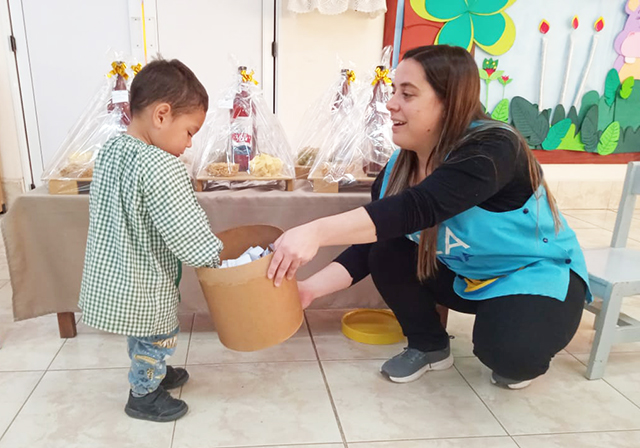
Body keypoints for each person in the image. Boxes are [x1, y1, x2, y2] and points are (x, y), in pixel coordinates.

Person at [268, 45, 590, 389]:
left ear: (449, 102)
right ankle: (429, 345)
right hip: (464, 274)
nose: (391, 103)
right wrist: (308, 290)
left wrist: (315, 232)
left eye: (407, 94)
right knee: (386, 249)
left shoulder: (494, 148)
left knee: (508, 356)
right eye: (394, 92)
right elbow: (373, 240)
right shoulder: (399, 166)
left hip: (531, 275)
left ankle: (516, 335)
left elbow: (421, 206)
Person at [79, 59, 223, 421]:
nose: (189, 145)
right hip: (144, 276)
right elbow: (183, 225)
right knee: (158, 333)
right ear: (162, 115)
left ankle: (152, 370)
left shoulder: (111, 150)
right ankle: (144, 392)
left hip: (115, 268)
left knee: (139, 329)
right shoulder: (162, 166)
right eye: (190, 132)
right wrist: (213, 254)